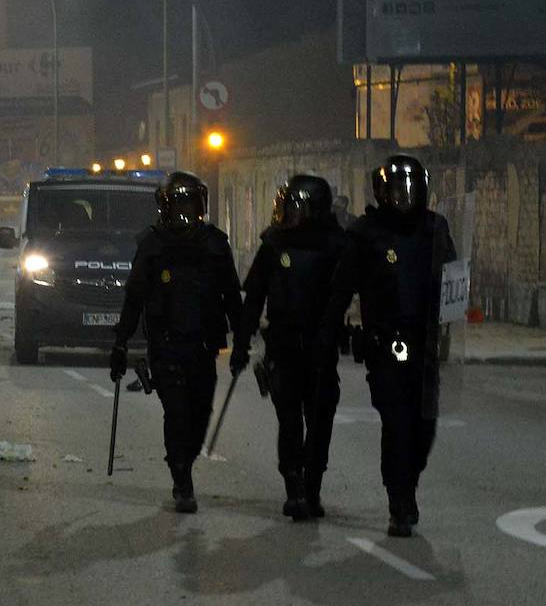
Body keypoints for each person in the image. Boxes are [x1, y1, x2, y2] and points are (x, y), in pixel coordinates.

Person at [317, 154, 456, 537]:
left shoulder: (435, 229)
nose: (404, 196)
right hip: (386, 343)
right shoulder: (366, 233)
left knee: (423, 427)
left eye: (410, 188)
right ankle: (399, 500)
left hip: (425, 343)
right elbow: (342, 288)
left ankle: (408, 480)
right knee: (396, 423)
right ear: (382, 192)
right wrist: (328, 334)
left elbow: (454, 278)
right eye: (396, 189)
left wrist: (454, 311)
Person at [109, 171, 243, 513]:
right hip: (166, 345)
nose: (185, 212)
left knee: (199, 416)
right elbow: (134, 297)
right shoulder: (152, 245)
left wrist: (242, 339)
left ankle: (187, 461)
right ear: (166, 207)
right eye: (178, 204)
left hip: (203, 345)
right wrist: (120, 343)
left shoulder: (214, 244)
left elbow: (231, 295)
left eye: (190, 204)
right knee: (177, 413)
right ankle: (181, 481)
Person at [231, 175, 347, 521]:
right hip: (283, 347)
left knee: (320, 421)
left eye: (299, 208)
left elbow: (346, 295)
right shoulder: (274, 245)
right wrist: (241, 343)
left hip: (321, 350)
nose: (293, 215)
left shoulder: (337, 247)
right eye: (289, 207)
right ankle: (294, 487)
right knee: (290, 421)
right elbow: (254, 299)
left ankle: (312, 487)